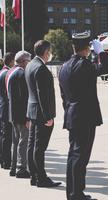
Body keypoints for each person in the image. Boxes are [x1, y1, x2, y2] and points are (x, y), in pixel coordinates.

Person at [59, 32, 108, 200]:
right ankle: (76, 194)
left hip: (72, 115)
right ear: (87, 49)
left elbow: (63, 96)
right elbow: (105, 68)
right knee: (81, 157)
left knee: (73, 156)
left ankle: (74, 192)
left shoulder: (64, 66)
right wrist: (102, 52)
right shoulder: (84, 65)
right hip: (84, 116)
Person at [25, 40, 61, 187]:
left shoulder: (30, 65)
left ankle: (34, 176)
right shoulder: (40, 68)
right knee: (39, 148)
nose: (50, 54)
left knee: (32, 145)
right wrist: (48, 117)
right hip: (41, 114)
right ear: (46, 52)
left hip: (33, 111)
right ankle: (41, 178)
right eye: (50, 51)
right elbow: (42, 95)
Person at [6, 51, 31, 178]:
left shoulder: (10, 72)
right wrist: (27, 117)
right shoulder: (21, 73)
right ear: (24, 61)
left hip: (12, 113)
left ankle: (13, 167)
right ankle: (21, 169)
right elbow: (25, 98)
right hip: (21, 114)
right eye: (29, 61)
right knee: (23, 142)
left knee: (15, 142)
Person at [0, 53, 15, 170]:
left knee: (4, 135)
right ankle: (6, 161)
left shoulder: (2, 72)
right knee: (7, 137)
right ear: (10, 62)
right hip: (6, 108)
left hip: (2, 107)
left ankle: (3, 160)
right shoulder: (7, 73)